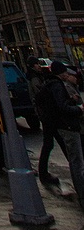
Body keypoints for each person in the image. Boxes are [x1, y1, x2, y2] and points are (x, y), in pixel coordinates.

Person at [37, 61, 84, 205]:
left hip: (56, 124)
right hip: (67, 126)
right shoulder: (57, 86)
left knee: (71, 156)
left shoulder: (51, 84)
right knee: (76, 160)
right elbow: (62, 107)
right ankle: (82, 193)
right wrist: (79, 109)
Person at [27, 57, 65, 185]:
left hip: (46, 114)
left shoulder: (37, 76)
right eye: (36, 64)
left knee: (52, 142)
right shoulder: (34, 78)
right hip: (46, 114)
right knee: (54, 142)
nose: (39, 65)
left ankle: (44, 172)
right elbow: (39, 93)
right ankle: (44, 173)